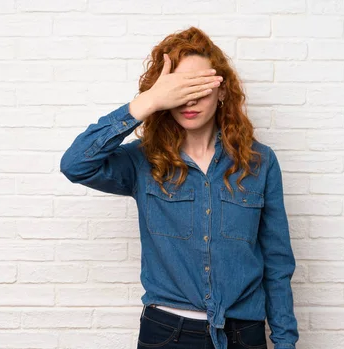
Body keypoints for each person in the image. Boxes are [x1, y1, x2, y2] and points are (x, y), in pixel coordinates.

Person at [60, 27, 298, 349]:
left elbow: (277, 262)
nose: (191, 98)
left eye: (200, 85)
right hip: (168, 335)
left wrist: (285, 342)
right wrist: (147, 102)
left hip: (243, 334)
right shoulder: (142, 161)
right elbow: (75, 164)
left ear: (222, 90)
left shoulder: (259, 162)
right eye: (179, 87)